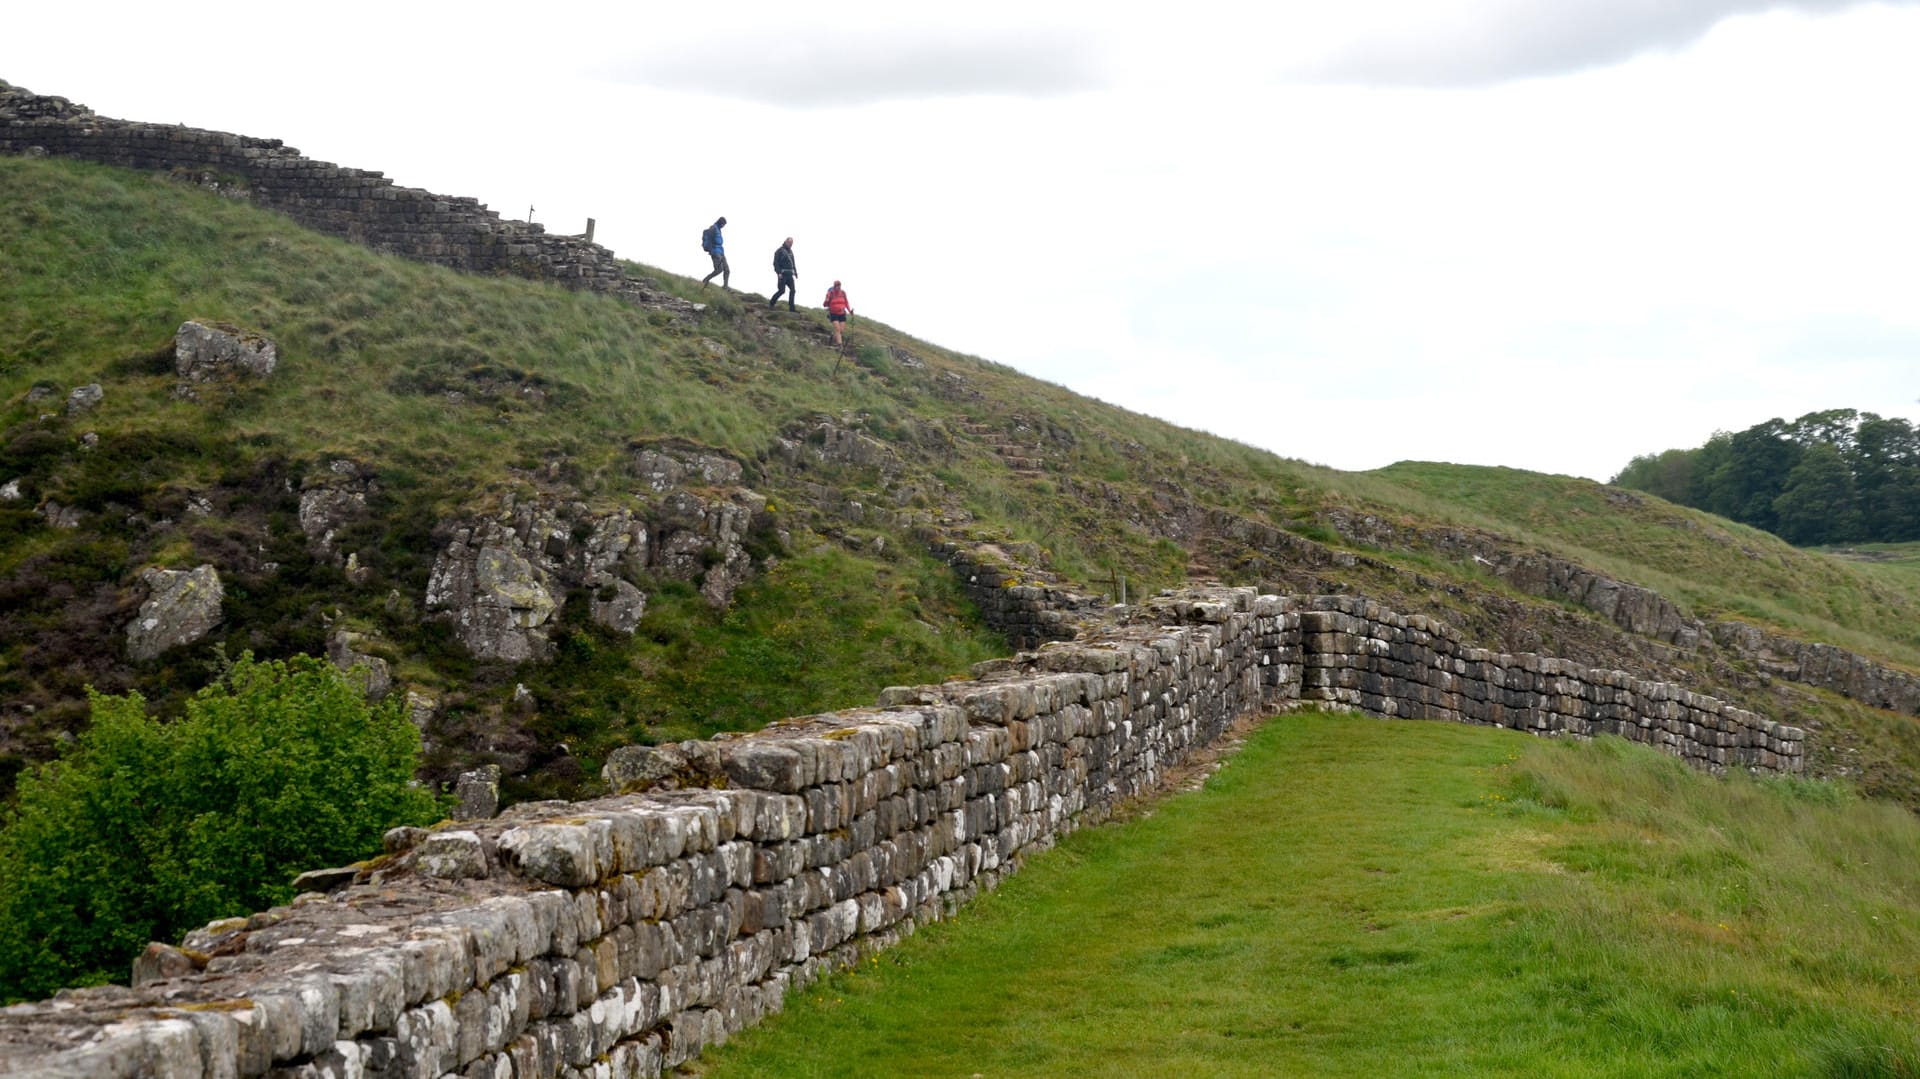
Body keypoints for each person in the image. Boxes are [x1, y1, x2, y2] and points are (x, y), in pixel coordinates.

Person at [700, 216, 729, 288]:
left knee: (727, 270)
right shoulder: (713, 228)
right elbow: (709, 240)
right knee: (719, 270)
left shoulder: (718, 229)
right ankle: (706, 279)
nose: (723, 226)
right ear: (721, 223)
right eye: (723, 224)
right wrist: (712, 251)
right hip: (715, 252)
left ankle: (725, 287)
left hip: (721, 252)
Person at [770, 237, 797, 311]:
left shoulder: (791, 252)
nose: (790, 244)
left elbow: (793, 263)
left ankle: (792, 308)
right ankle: (772, 303)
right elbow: (775, 263)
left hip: (790, 274)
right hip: (782, 274)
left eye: (791, 243)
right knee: (782, 291)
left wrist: (795, 272)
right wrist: (778, 273)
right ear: (785, 242)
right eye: (789, 243)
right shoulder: (779, 251)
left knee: (793, 290)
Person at [824, 280, 852, 345]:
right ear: (834, 286)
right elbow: (824, 305)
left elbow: (846, 302)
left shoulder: (843, 293)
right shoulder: (830, 293)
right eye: (836, 286)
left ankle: (832, 339)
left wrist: (850, 311)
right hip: (833, 313)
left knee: (841, 330)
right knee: (837, 329)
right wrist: (827, 300)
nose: (838, 287)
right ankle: (840, 346)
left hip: (842, 313)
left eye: (839, 286)